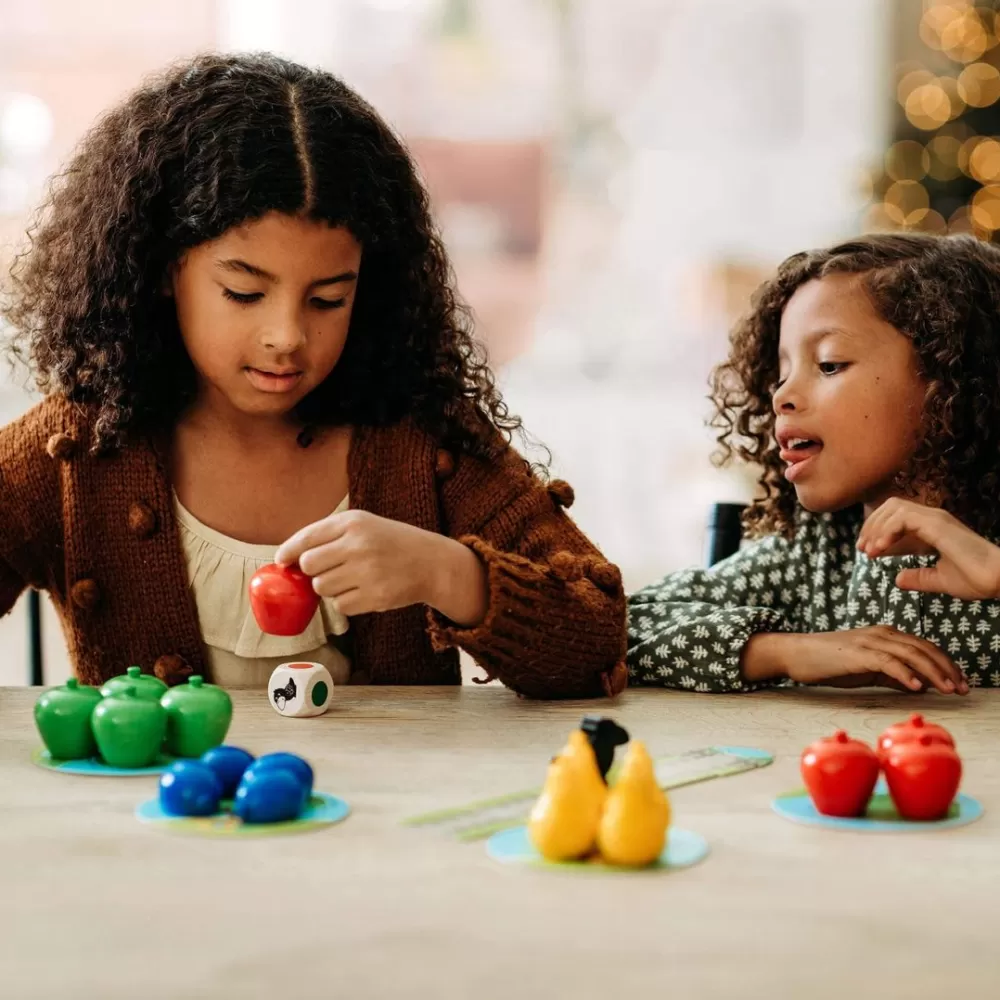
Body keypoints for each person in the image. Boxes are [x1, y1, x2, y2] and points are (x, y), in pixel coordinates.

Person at [0, 53, 626, 699]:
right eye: (243, 293)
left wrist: (451, 575)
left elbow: (596, 639)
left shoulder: (419, 438)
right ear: (159, 270)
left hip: (400, 799)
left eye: (328, 299)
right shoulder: (74, 449)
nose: (288, 337)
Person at [628, 233, 1000, 694]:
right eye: (781, 374)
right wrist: (789, 651)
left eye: (828, 365)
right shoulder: (808, 557)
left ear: (950, 379)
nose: (781, 395)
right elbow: (619, 626)